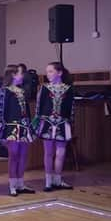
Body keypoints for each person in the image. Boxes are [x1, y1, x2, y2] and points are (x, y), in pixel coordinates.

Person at [35, 61, 74, 192]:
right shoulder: (44, 88)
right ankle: (48, 180)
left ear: (60, 72)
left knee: (61, 152)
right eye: (47, 72)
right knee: (48, 152)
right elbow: (39, 107)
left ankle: (58, 179)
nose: (48, 74)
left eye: (51, 71)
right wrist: (38, 122)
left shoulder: (68, 88)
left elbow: (70, 108)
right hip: (47, 122)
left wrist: (70, 123)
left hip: (63, 123)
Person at [0, 64, 36, 196]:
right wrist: (2, 131)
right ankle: (12, 184)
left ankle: (20, 183)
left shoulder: (22, 91)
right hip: (11, 127)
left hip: (24, 126)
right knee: (13, 154)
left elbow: (26, 110)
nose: (23, 76)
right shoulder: (6, 90)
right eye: (21, 73)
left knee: (23, 155)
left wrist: (30, 127)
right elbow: (2, 111)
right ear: (13, 75)